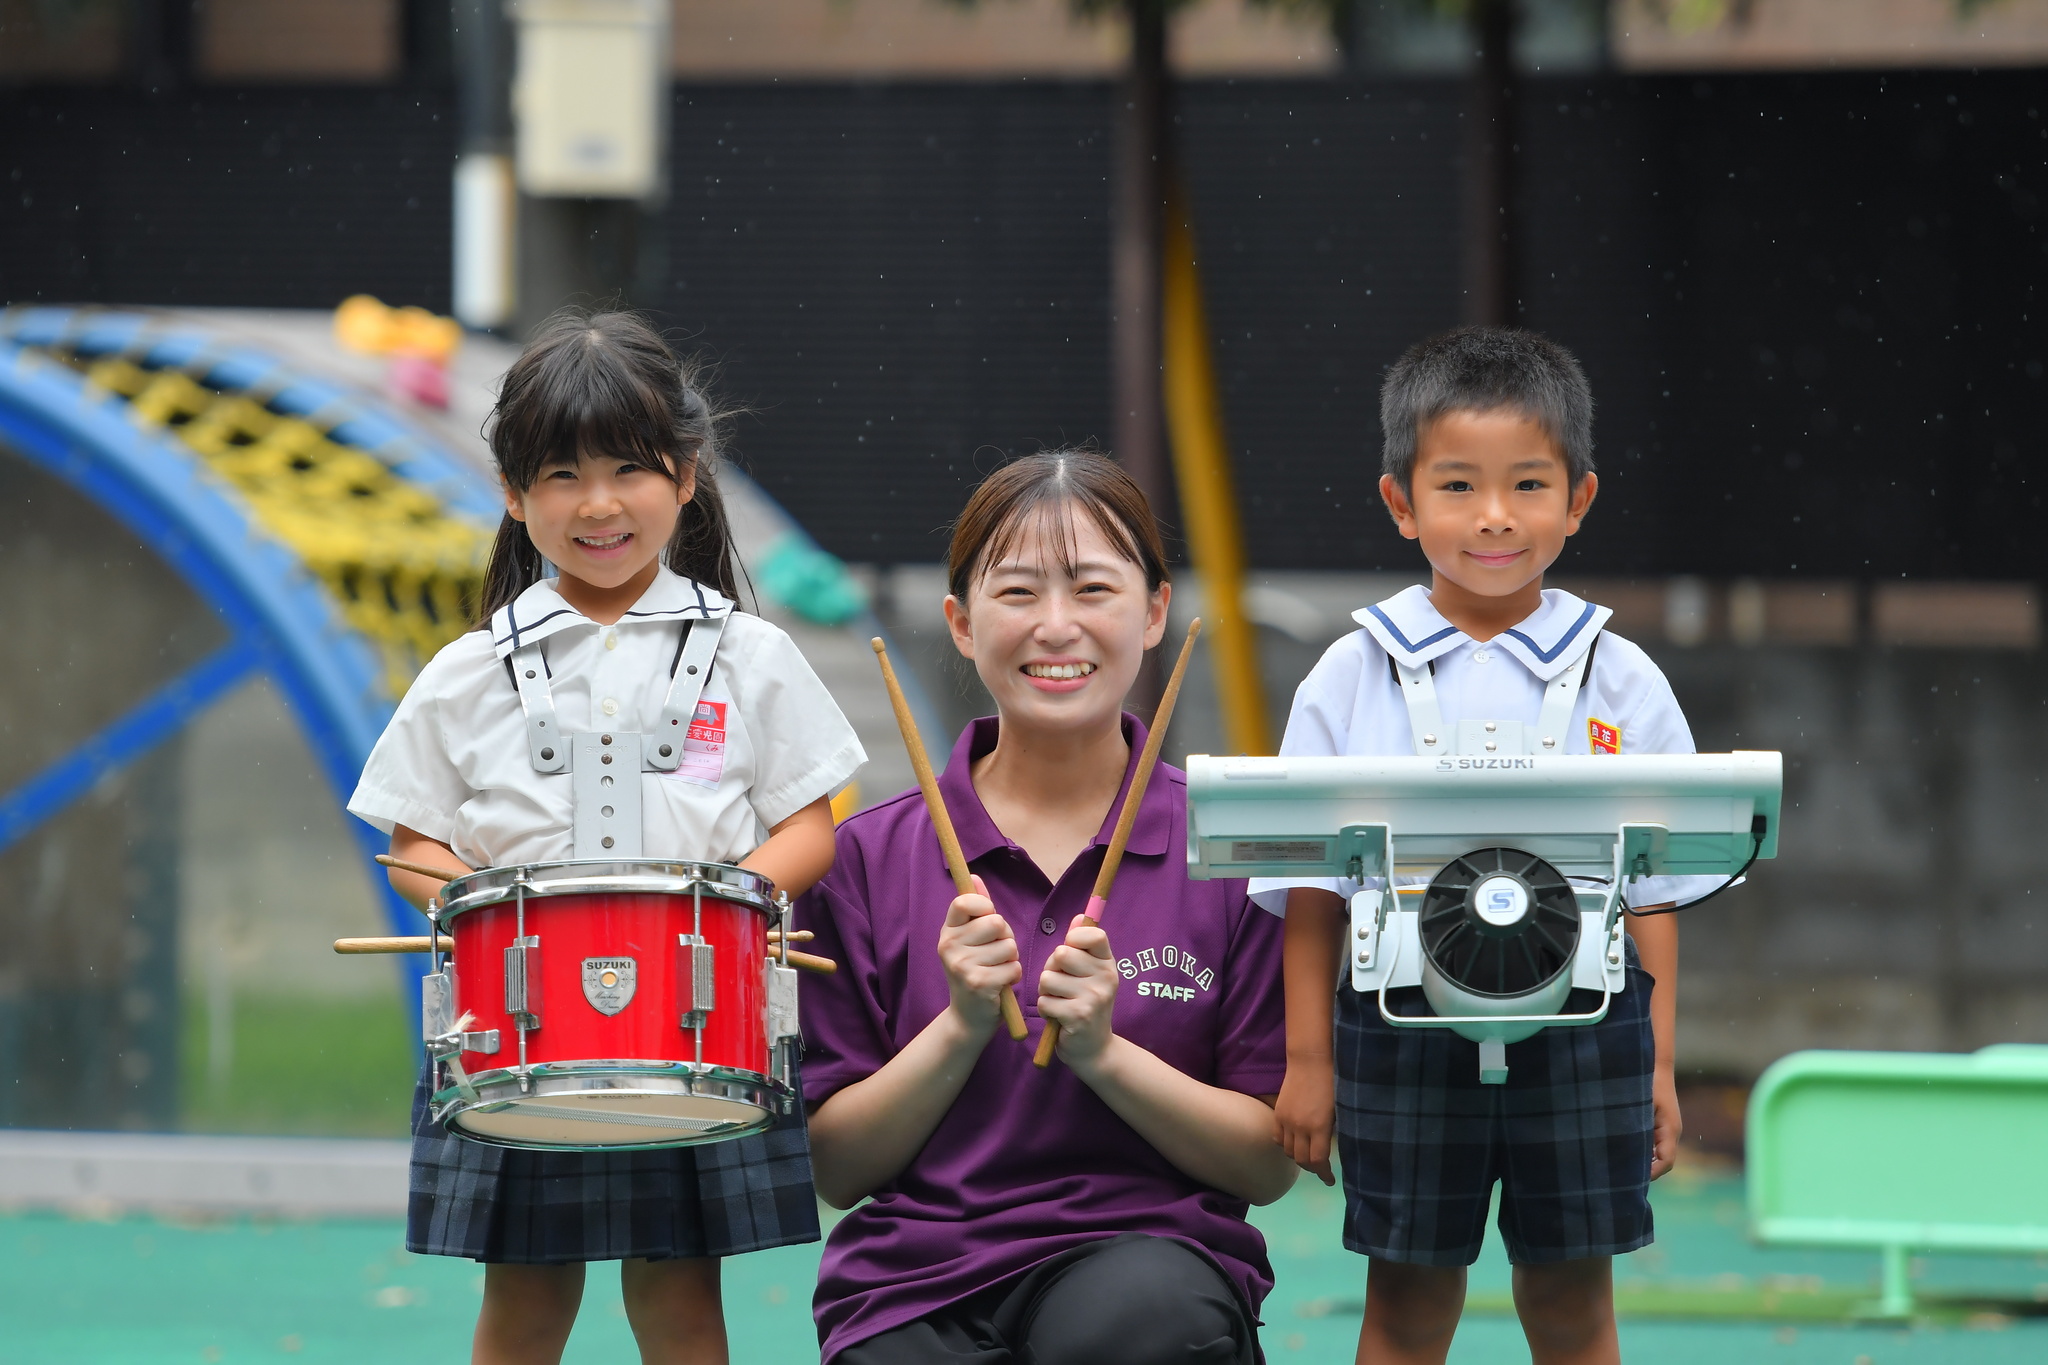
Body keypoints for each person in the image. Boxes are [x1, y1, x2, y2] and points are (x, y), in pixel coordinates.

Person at [347, 310, 865, 1365]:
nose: (596, 504)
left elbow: (810, 828)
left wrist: (723, 903)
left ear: (682, 476)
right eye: (560, 475)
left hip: (695, 1024)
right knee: (523, 1309)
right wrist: (480, 907)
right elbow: (412, 844)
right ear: (510, 492)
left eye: (628, 469)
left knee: (681, 1307)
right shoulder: (465, 670)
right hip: (520, 1033)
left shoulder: (751, 655)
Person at [795, 451, 1297, 1365]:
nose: (1056, 627)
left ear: (1152, 612)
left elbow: (1266, 1161)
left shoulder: (1234, 846)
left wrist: (1105, 1052)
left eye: (1094, 588)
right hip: (914, 1278)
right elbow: (838, 1168)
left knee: (1136, 1329)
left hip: (1151, 1258)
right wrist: (957, 1026)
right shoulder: (861, 857)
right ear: (960, 622)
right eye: (1018, 592)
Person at [1261, 327, 1695, 1365]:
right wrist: (1307, 1062)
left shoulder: (1620, 677)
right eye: (1456, 485)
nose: (1493, 515)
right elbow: (1308, 889)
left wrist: (1660, 1062)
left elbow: (1653, 894)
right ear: (1400, 503)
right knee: (1405, 1307)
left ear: (1576, 501)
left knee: (1570, 1304)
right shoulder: (1347, 673)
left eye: (1527, 484)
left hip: (1589, 1029)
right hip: (1395, 1027)